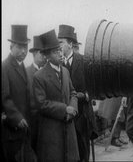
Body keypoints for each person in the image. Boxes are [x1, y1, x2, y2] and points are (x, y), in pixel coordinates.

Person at [33, 29, 83, 162]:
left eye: (60, 50)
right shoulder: (39, 76)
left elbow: (73, 92)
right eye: (56, 52)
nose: (60, 54)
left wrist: (73, 108)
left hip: (69, 128)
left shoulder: (65, 72)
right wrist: (64, 109)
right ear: (48, 56)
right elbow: (41, 103)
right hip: (52, 132)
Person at [58, 24, 98, 162]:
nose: (59, 46)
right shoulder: (57, 64)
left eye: (61, 43)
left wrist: (86, 95)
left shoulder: (84, 61)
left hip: (83, 114)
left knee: (83, 150)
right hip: (66, 115)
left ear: (70, 44)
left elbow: (93, 86)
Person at [2, 25, 31, 162]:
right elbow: (5, 98)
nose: (24, 51)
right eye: (19, 47)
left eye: (25, 46)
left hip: (23, 130)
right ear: (11, 47)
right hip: (12, 131)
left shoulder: (22, 66)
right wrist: (17, 118)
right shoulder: (5, 67)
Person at [26, 36, 46, 152]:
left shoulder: (49, 71)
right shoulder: (26, 73)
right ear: (34, 54)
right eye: (41, 53)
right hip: (33, 123)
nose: (44, 56)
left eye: (45, 53)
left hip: (48, 123)